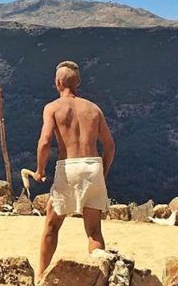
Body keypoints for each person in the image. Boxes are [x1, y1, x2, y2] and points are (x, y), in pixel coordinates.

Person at [33, 61, 115, 275]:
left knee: (52, 225)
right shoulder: (94, 109)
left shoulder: (52, 108)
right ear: (78, 82)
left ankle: (41, 275)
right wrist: (102, 173)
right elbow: (109, 146)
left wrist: (40, 170)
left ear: (58, 82)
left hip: (69, 166)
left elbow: (45, 141)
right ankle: (100, 277)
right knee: (94, 231)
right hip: (93, 166)